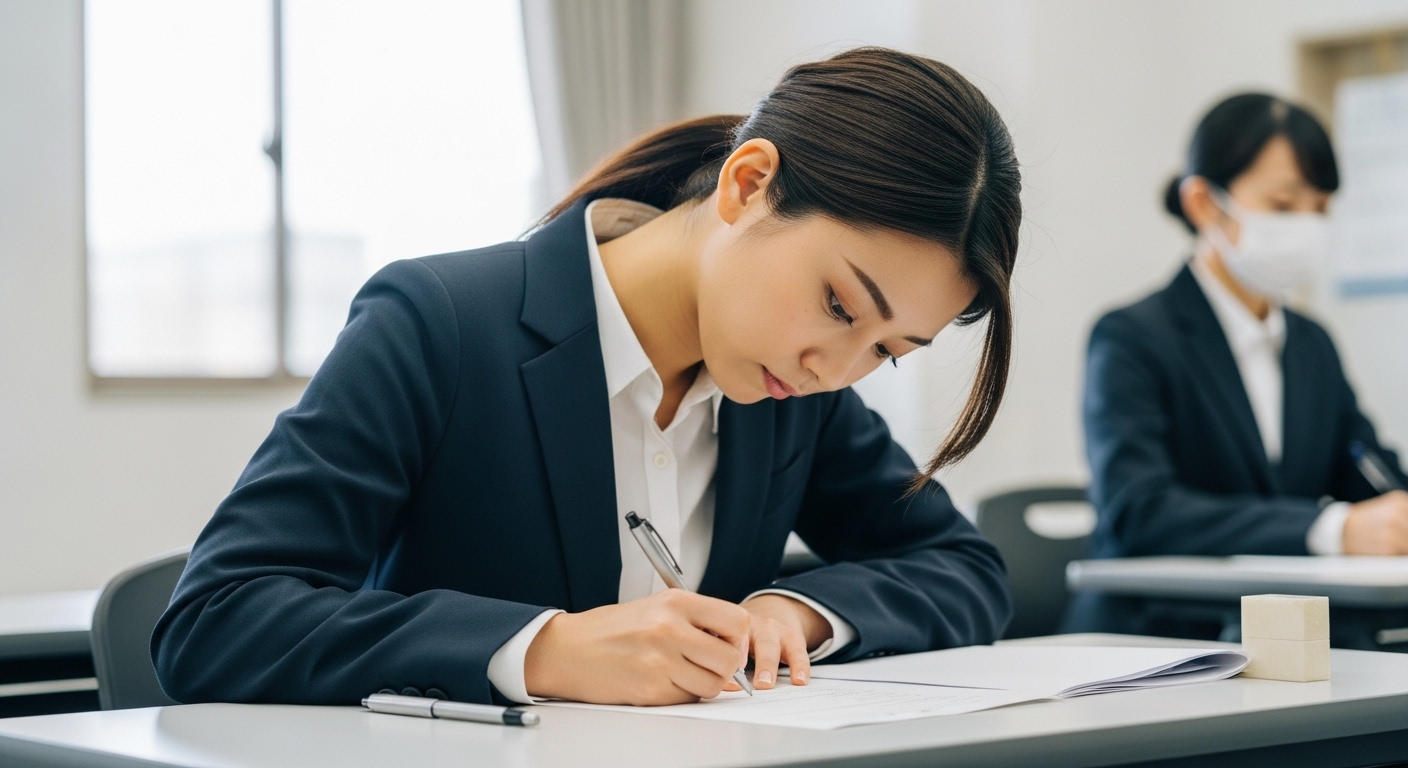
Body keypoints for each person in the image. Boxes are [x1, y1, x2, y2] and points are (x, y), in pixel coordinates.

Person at [152, 48, 1023, 707]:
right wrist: (545, 651)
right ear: (748, 184)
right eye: (838, 304)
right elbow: (218, 619)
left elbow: (961, 567)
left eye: (887, 350)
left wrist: (792, 614)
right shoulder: (440, 322)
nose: (837, 369)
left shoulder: (790, 389)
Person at [1068, 93, 1408, 637]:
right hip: (1154, 638)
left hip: (1291, 634)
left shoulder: (1310, 343)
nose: (1308, 227)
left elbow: (1366, 467)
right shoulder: (1133, 336)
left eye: (1321, 209)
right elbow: (1141, 511)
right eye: (1282, 205)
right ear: (1204, 203)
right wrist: (1329, 528)